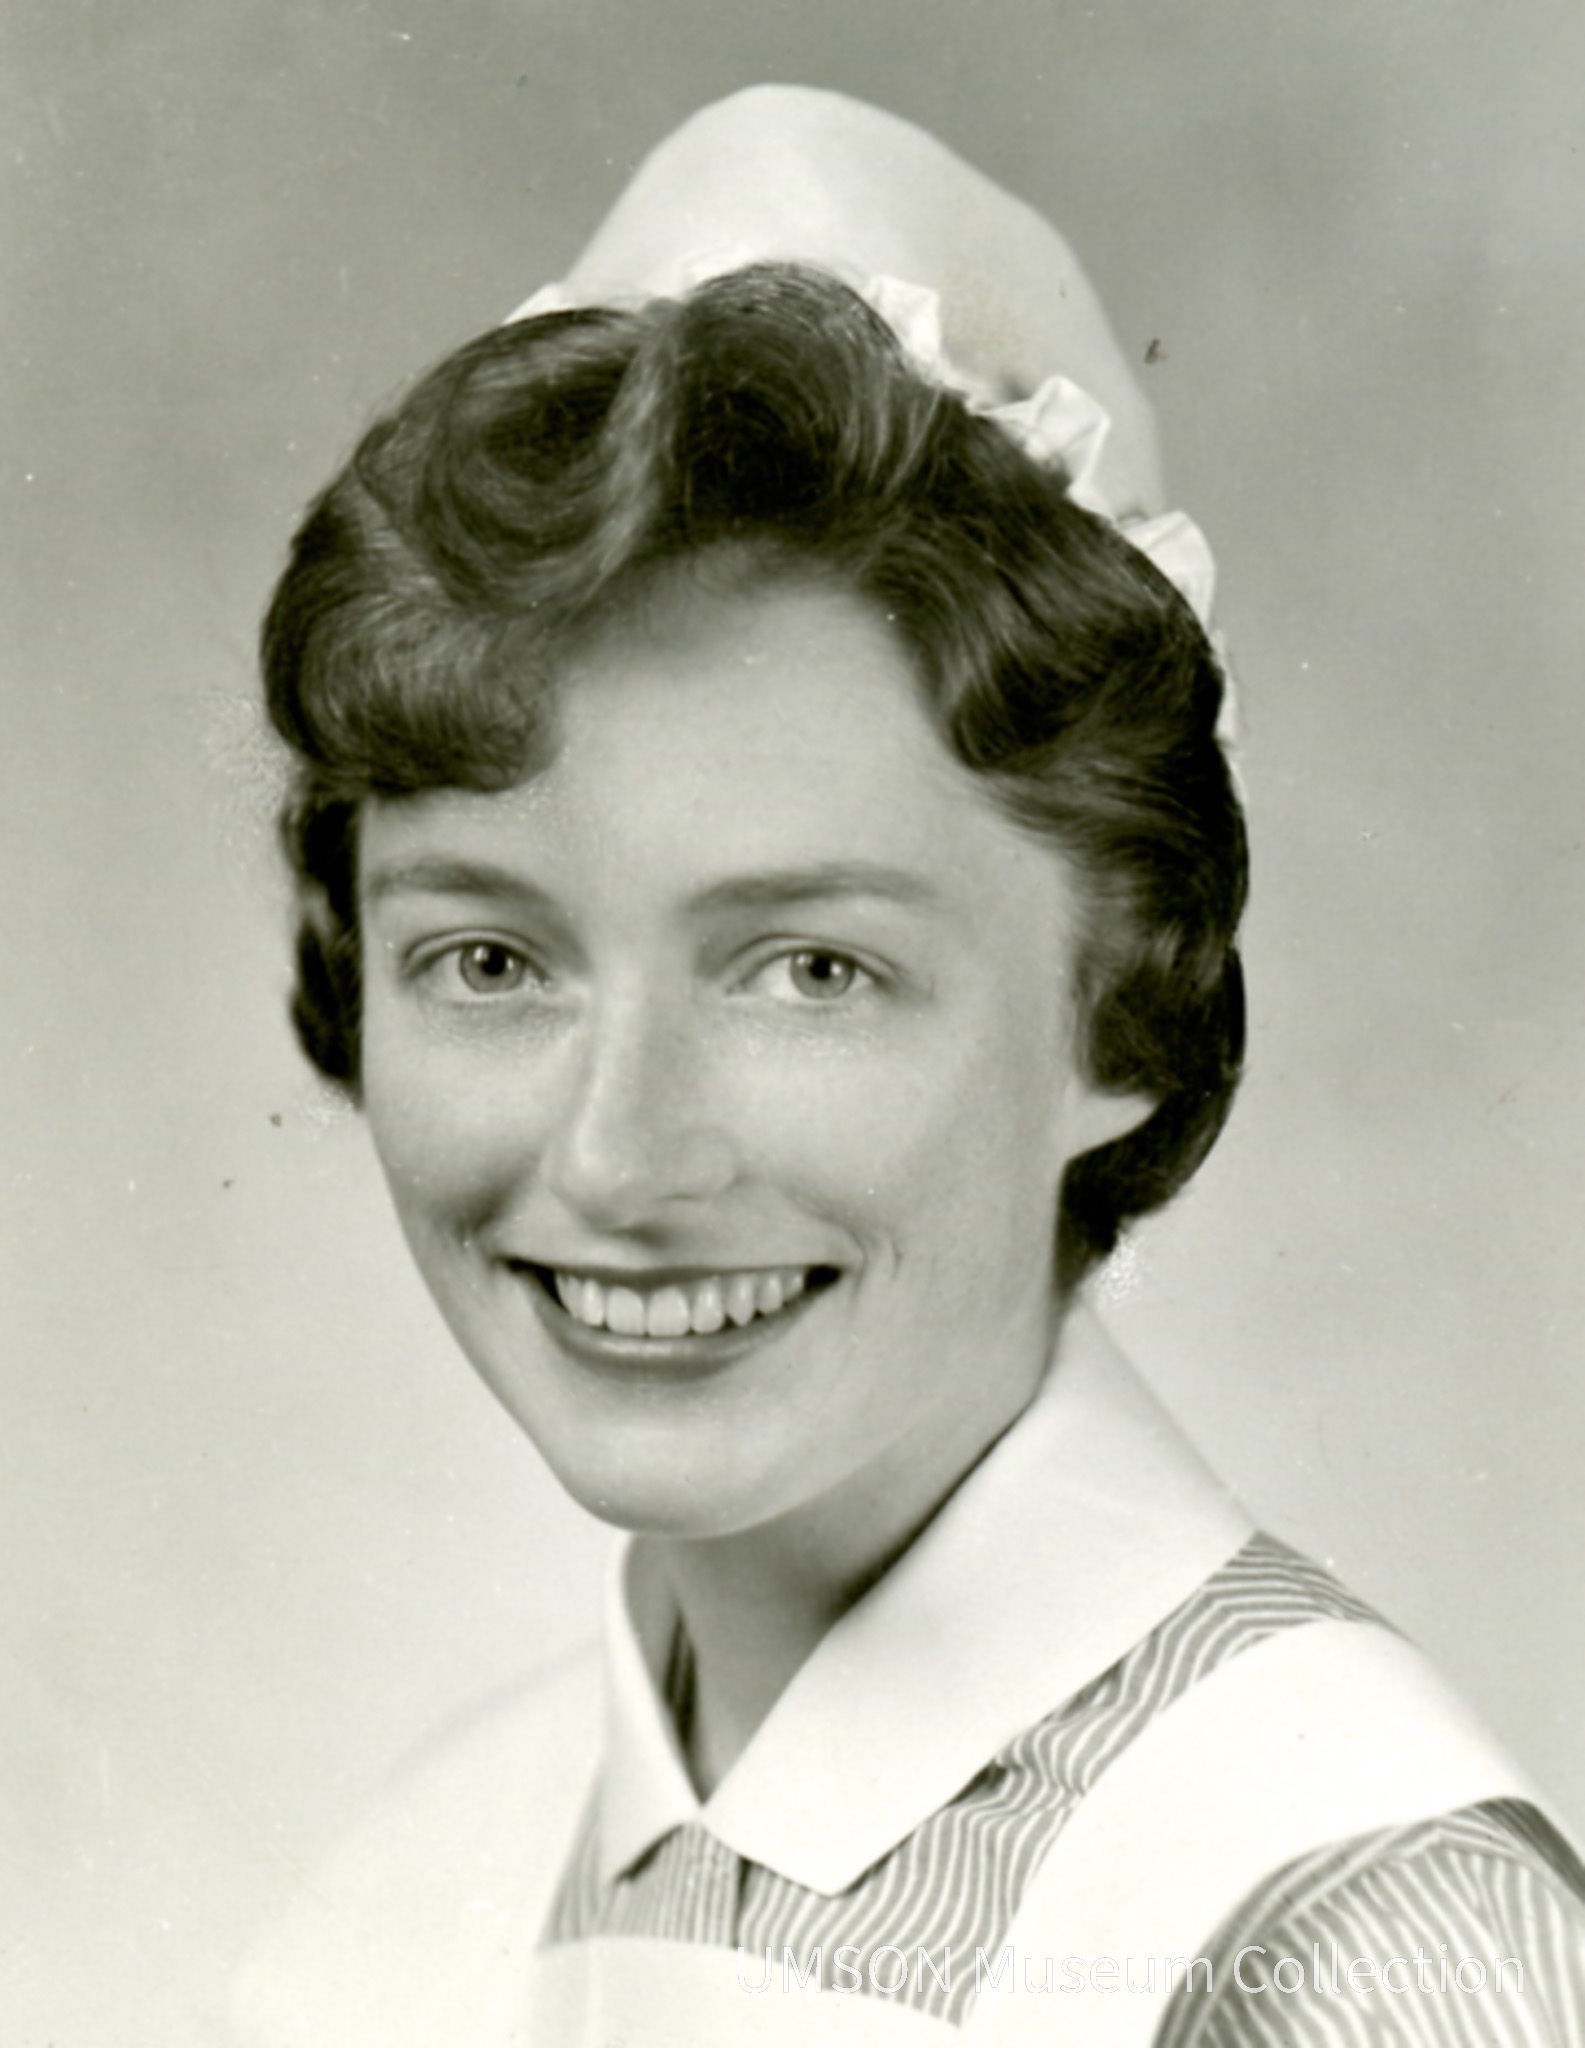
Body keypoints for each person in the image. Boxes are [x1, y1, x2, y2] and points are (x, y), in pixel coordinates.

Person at [233, 86, 1585, 2046]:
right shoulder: (422, 1873)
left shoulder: (1343, 1937)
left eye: (809, 968)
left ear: (1122, 1007)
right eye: (494, 960)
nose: (616, 1155)